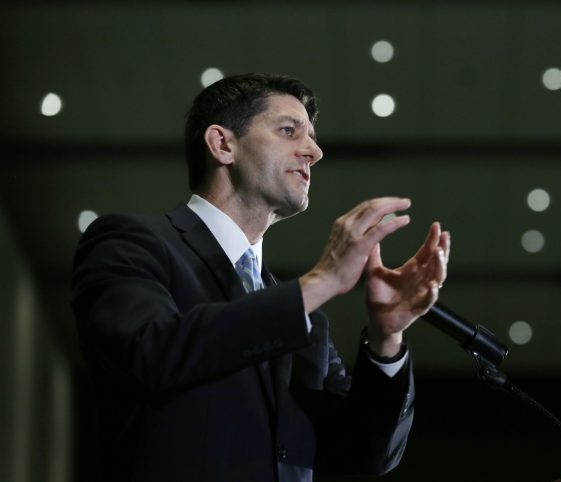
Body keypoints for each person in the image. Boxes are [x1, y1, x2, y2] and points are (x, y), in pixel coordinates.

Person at [71, 73, 450, 482]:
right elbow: (150, 354)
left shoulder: (306, 322)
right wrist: (321, 281)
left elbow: (363, 456)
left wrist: (385, 341)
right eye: (289, 130)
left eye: (312, 136)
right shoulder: (133, 242)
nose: (314, 151)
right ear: (222, 144)